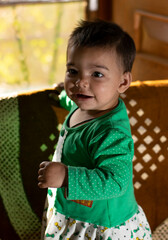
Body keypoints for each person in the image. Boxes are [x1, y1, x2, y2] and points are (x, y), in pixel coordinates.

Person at [38, 19, 152, 240]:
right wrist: (63, 94)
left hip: (99, 226)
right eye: (73, 71)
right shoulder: (88, 102)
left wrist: (66, 177)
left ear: (123, 82)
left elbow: (116, 181)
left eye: (97, 74)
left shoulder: (111, 132)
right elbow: (72, 100)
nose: (81, 82)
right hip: (73, 212)